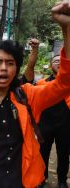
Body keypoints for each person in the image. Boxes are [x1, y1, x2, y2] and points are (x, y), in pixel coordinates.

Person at [0, 1, 70, 187]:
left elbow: (65, 83)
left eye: (10, 63)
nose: (3, 68)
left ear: (16, 68)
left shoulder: (27, 96)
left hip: (23, 182)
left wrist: (67, 29)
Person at [37, 54, 70, 188]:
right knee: (42, 153)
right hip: (46, 124)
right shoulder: (41, 83)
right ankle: (41, 178)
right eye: (56, 61)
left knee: (63, 154)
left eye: (61, 61)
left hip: (65, 125)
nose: (58, 63)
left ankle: (62, 181)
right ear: (51, 65)